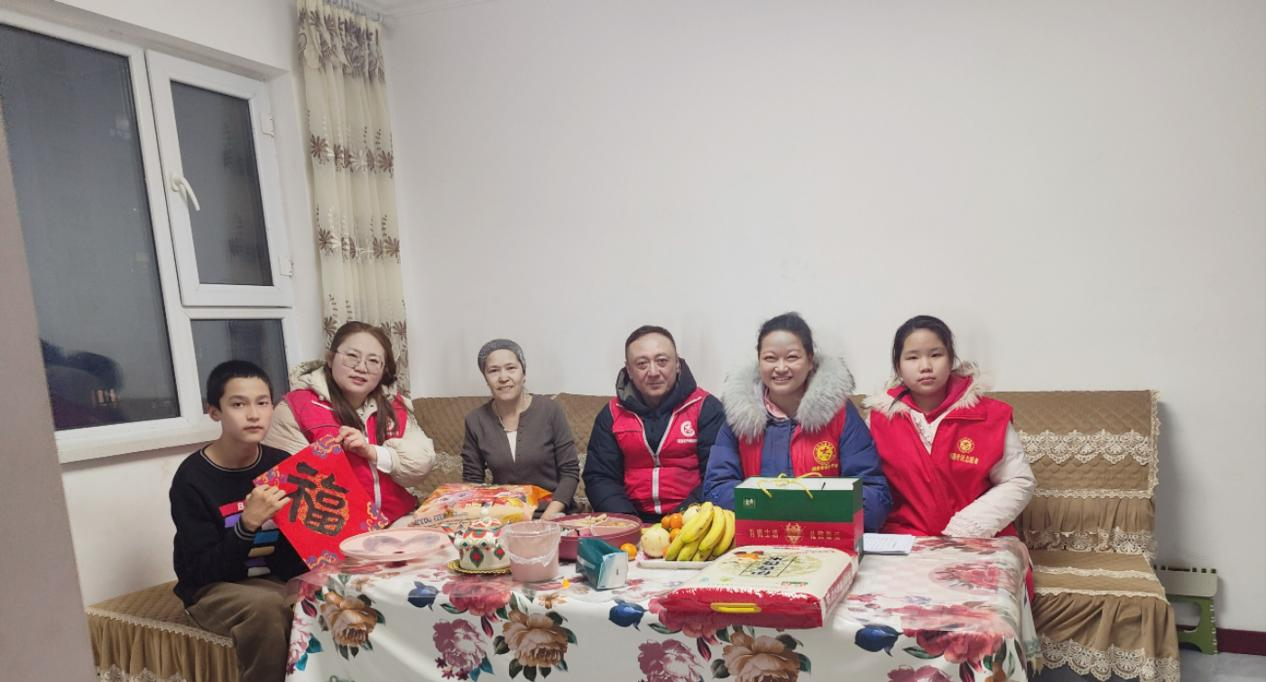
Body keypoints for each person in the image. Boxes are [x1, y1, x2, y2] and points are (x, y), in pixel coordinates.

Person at [169, 361, 307, 682]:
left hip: (274, 578)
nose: (254, 414)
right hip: (213, 588)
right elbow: (201, 570)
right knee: (267, 608)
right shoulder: (192, 478)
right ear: (214, 412)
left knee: (337, 591)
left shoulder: (281, 465)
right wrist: (247, 525)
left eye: (262, 403)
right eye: (238, 404)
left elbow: (295, 550)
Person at [703, 312, 891, 531]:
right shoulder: (739, 416)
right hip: (758, 540)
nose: (781, 368)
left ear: (810, 360)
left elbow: (874, 496)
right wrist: (778, 509)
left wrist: (807, 511)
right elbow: (717, 490)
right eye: (770, 358)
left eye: (792, 357)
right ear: (759, 362)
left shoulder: (840, 414)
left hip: (826, 539)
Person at [865, 315, 1035, 537]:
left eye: (935, 355)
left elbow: (1018, 480)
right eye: (912, 357)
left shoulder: (988, 416)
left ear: (951, 359)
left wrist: (964, 529)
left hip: (980, 539)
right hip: (906, 542)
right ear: (898, 366)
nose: (925, 366)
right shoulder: (879, 420)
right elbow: (868, 484)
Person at [265, 321, 435, 524]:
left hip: (397, 517)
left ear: (383, 370)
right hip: (337, 527)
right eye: (352, 356)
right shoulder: (296, 407)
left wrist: (372, 452)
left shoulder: (394, 405)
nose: (361, 368)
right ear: (330, 359)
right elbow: (291, 486)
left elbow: (421, 464)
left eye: (373, 361)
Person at [582, 325, 726, 523]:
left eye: (662, 361)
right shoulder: (612, 414)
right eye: (642, 364)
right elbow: (599, 477)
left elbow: (717, 476)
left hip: (692, 519)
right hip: (629, 519)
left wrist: (677, 521)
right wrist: (629, 522)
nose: (653, 372)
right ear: (629, 370)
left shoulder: (706, 408)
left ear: (677, 364)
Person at [460, 339, 580, 519]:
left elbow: (570, 471)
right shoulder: (475, 420)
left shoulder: (550, 410)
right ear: (486, 378)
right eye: (493, 371)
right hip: (504, 516)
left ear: (524, 373)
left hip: (553, 513)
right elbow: (473, 482)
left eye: (511, 368)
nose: (503, 377)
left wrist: (547, 518)